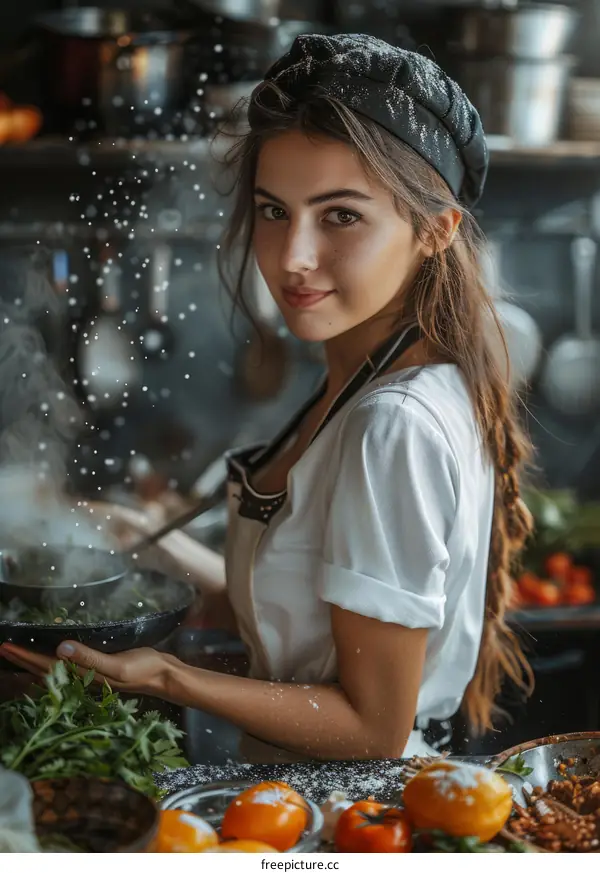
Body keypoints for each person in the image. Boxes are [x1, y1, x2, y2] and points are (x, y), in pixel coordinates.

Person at [0, 34, 534, 761]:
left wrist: (166, 675)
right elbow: (299, 623)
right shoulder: (368, 378)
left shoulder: (392, 423)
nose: (292, 257)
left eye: (341, 215)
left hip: (351, 823)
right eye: (274, 211)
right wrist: (134, 536)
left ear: (434, 231)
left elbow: (371, 726)